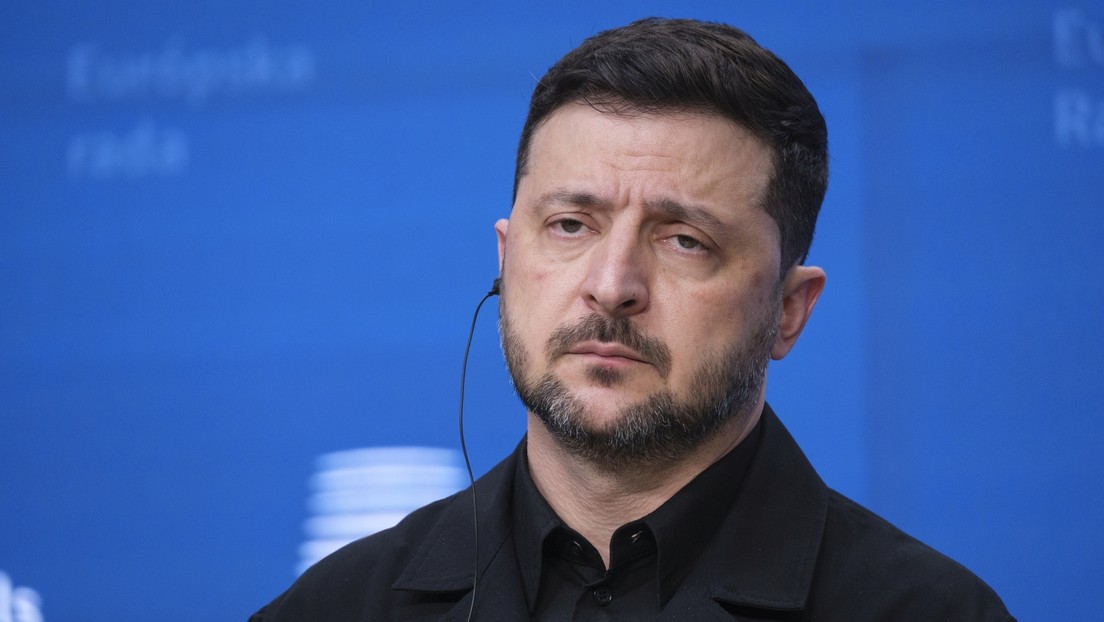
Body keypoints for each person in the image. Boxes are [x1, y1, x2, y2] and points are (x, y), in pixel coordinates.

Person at [251, 17, 1014, 620]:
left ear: (789, 310)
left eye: (685, 241)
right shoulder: (335, 607)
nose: (611, 286)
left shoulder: (928, 611)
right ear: (505, 262)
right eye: (571, 225)